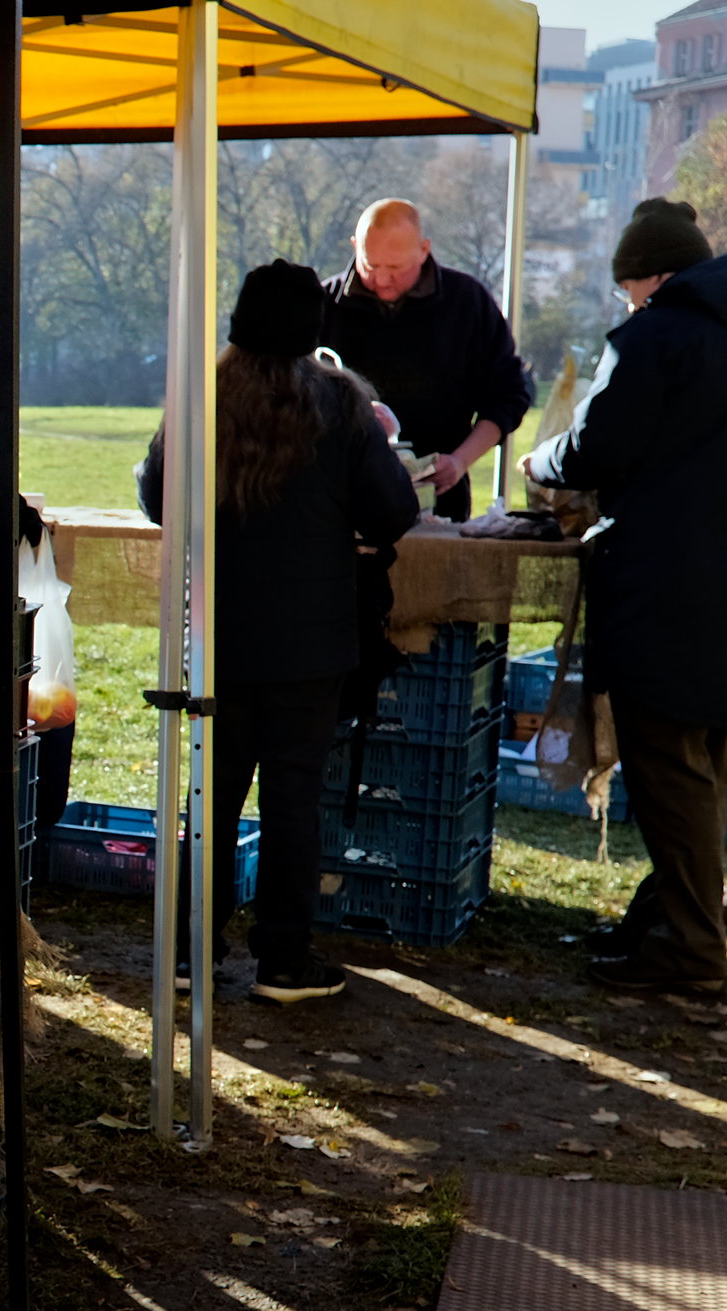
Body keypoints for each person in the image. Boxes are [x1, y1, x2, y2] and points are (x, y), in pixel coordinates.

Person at [522, 199, 727, 995]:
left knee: (669, 771)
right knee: (705, 770)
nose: (628, 304)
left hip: (664, 588)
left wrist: (544, 464)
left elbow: (602, 443)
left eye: (630, 290)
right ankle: (671, 927)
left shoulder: (657, 336)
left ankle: (690, 953)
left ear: (657, 279)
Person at [138, 261, 420, 1003]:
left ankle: (186, 949)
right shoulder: (341, 406)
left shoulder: (203, 399)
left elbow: (155, 494)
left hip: (221, 637)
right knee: (294, 798)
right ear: (311, 332)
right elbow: (394, 509)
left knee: (213, 796)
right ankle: (284, 959)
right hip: (311, 639)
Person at [319, 199, 530, 523]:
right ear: (354, 246)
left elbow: (508, 396)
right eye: (370, 266)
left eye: (396, 269)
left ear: (424, 250)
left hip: (440, 496)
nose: (383, 281)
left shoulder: (466, 302)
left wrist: (459, 461)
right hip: (339, 502)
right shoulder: (323, 305)